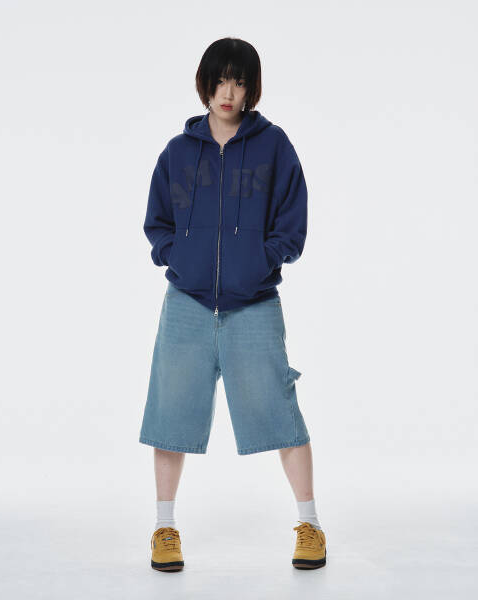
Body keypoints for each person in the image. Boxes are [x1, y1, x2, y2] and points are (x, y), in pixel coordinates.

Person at [139, 37, 326, 572]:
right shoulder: (177, 153)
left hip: (255, 304)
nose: (228, 92)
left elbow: (292, 222)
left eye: (239, 82)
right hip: (188, 303)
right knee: (171, 415)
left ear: (251, 89)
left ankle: (310, 524)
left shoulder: (274, 146)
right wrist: (178, 258)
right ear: (205, 83)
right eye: (221, 80)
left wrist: (260, 263)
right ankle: (164, 528)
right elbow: (157, 223)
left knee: (280, 412)